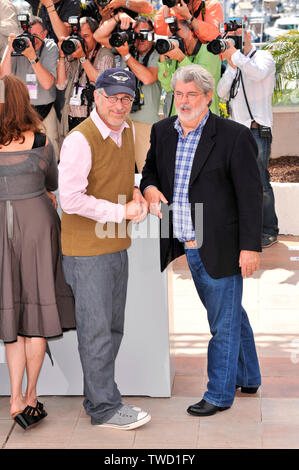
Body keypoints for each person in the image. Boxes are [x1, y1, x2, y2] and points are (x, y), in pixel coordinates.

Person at [140, 64, 262, 416]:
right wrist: (148, 188)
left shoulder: (233, 136)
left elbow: (250, 196)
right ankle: (248, 375)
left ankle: (220, 394)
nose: (184, 100)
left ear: (208, 97)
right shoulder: (163, 131)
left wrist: (250, 247)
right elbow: (151, 171)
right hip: (188, 244)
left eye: (192, 94)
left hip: (222, 243)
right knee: (230, 313)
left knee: (221, 324)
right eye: (179, 94)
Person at [58, 67, 151, 430]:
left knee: (112, 329)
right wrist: (120, 212)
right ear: (96, 96)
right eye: (112, 97)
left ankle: (97, 397)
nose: (119, 105)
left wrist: (136, 193)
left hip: (114, 245)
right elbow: (70, 199)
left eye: (126, 98)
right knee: (97, 331)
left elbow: (122, 178)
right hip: (86, 251)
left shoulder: (125, 131)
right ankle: (105, 408)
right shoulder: (80, 140)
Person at [0, 75, 75, 430]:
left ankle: (14, 399)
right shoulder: (43, 141)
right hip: (38, 224)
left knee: (11, 316)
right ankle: (31, 396)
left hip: (2, 226)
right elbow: (53, 184)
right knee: (35, 316)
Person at [217, 28, 279, 248]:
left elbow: (258, 73)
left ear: (248, 36)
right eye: (230, 38)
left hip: (257, 131)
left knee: (260, 183)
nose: (233, 41)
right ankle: (244, 230)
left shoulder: (263, 57)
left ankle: (269, 230)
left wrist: (235, 56)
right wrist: (232, 68)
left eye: (237, 37)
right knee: (238, 182)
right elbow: (222, 92)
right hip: (237, 132)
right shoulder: (236, 63)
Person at [94, 14, 161, 172]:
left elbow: (148, 77)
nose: (141, 39)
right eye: (137, 35)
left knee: (146, 170)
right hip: (122, 121)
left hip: (146, 123)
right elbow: (98, 36)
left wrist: (126, 55)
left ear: (153, 34)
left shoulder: (157, 52)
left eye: (145, 34)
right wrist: (118, 18)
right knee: (122, 171)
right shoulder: (127, 47)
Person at [0, 16, 60, 159]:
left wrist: (32, 57)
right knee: (23, 153)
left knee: (51, 152)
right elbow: (4, 77)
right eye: (28, 34)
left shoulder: (49, 47)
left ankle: (52, 180)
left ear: (44, 34)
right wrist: (10, 48)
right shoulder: (17, 45)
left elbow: (47, 83)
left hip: (44, 111)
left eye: (35, 36)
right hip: (20, 111)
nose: (31, 39)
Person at [56, 16, 114, 140]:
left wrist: (83, 58)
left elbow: (100, 83)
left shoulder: (104, 55)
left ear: (95, 36)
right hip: (71, 120)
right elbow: (60, 84)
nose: (82, 41)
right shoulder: (73, 54)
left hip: (93, 123)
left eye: (86, 36)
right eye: (79, 37)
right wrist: (62, 56)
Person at [157, 16, 221, 117]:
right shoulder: (179, 53)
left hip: (203, 120)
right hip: (180, 120)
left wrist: (181, 59)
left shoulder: (209, 50)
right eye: (171, 36)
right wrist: (162, 57)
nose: (175, 37)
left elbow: (201, 82)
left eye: (177, 32)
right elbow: (169, 87)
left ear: (191, 31)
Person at [80, 0, 152, 26]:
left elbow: (148, 8)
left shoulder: (119, 1)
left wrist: (122, 2)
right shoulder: (90, 8)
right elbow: (92, 37)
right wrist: (105, 19)